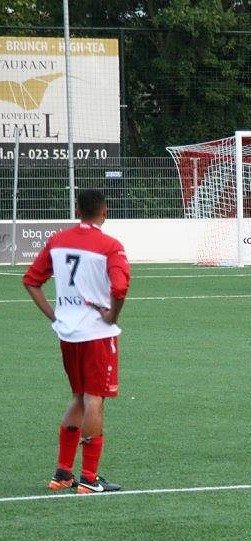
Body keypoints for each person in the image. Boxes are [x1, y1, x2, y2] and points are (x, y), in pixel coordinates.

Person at [22, 189, 130, 494]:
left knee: (79, 396)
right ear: (104, 212)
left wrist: (55, 316)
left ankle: (62, 473)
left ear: (77, 210)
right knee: (94, 399)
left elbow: (31, 281)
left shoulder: (58, 240)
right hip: (96, 334)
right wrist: (112, 315)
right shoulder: (111, 246)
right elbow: (119, 288)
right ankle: (89, 478)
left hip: (67, 333)